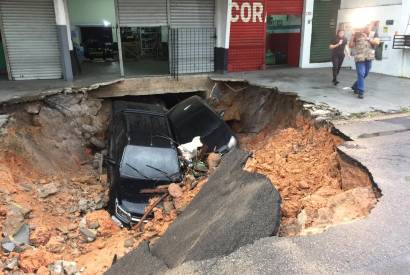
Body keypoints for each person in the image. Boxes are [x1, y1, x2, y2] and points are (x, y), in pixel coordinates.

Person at [349, 24, 380, 99]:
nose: (366, 27)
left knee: (365, 74)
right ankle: (361, 91)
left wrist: (368, 38)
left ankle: (354, 86)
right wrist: (352, 36)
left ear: (370, 27)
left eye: (368, 26)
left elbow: (377, 42)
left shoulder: (374, 33)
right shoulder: (357, 34)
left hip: (369, 57)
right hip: (359, 58)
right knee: (361, 73)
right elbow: (350, 45)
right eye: (365, 26)